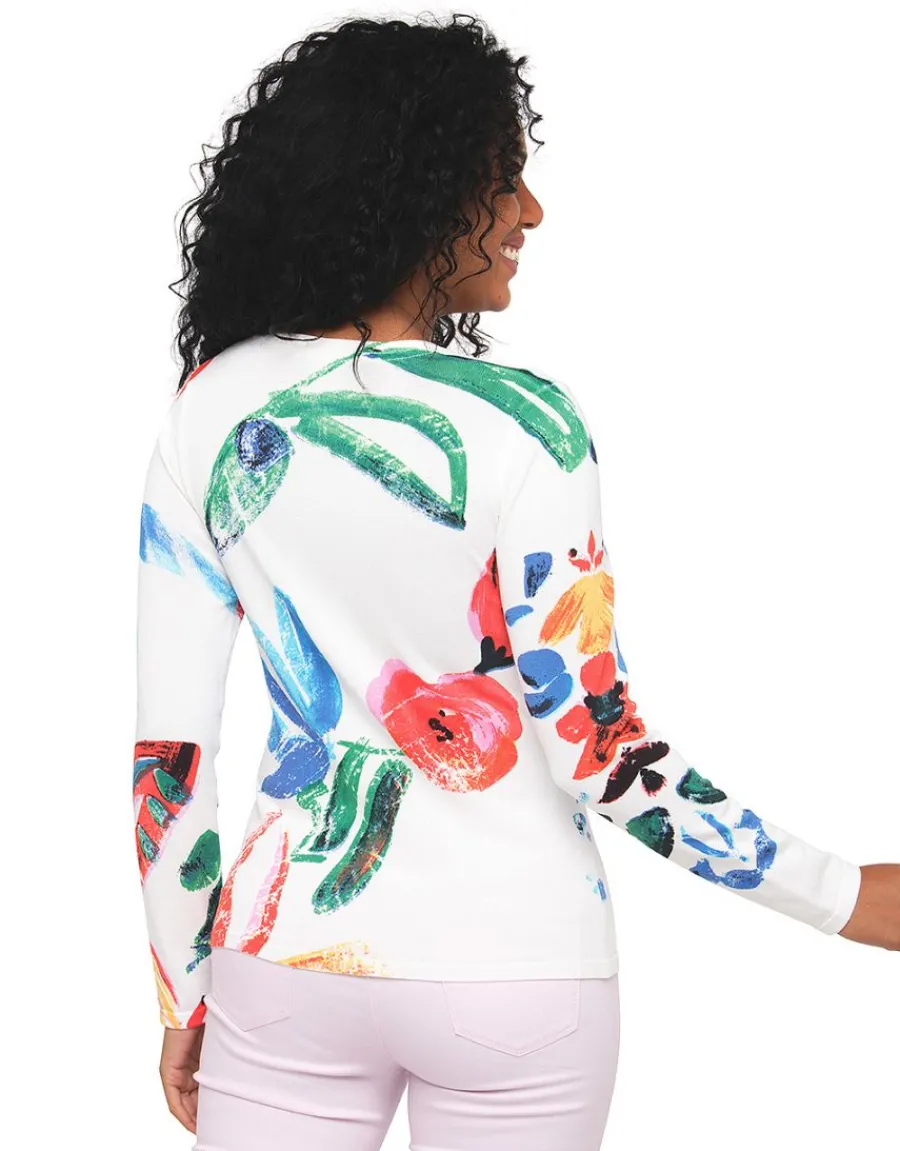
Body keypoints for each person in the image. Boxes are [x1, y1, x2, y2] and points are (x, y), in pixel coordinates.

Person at [132, 13, 899, 1151]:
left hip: (283, 971)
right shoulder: (526, 424)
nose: (529, 212)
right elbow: (599, 748)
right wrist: (843, 894)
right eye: (502, 179)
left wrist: (185, 989)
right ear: (415, 189)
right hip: (516, 971)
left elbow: (169, 760)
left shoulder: (208, 408)